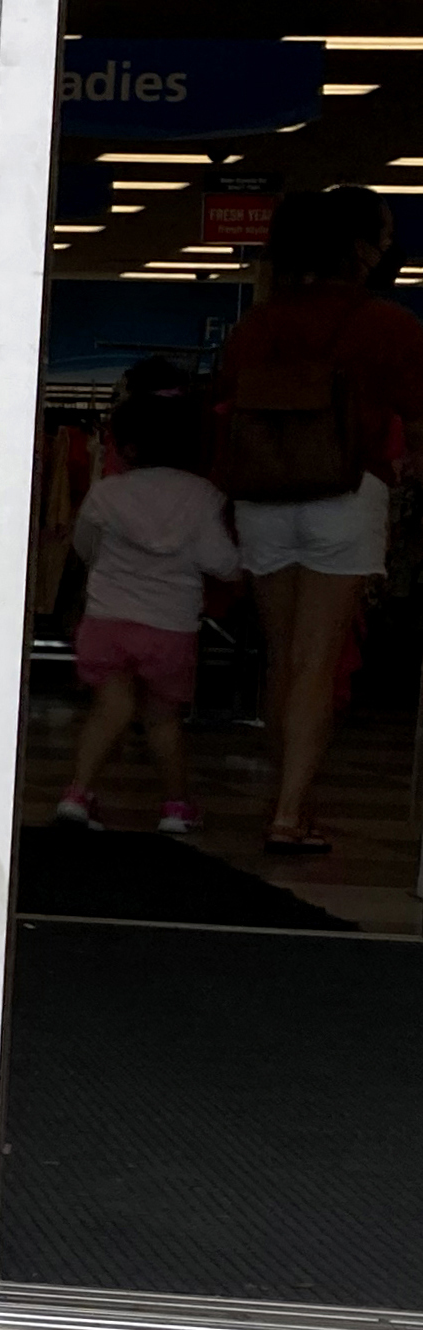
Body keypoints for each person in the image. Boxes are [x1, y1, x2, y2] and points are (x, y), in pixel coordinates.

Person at [214, 185, 423, 856]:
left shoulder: (257, 325)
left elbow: (224, 404)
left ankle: (289, 802)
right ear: (359, 248)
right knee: (317, 660)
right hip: (345, 491)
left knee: (282, 660)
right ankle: (289, 814)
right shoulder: (387, 324)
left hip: (263, 498)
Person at [53, 363, 236, 834]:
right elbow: (223, 563)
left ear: (126, 445)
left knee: (109, 709)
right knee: (162, 721)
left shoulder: (106, 494)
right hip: (170, 628)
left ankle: (77, 794)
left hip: (108, 620)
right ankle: (175, 807)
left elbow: (85, 547)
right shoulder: (203, 496)